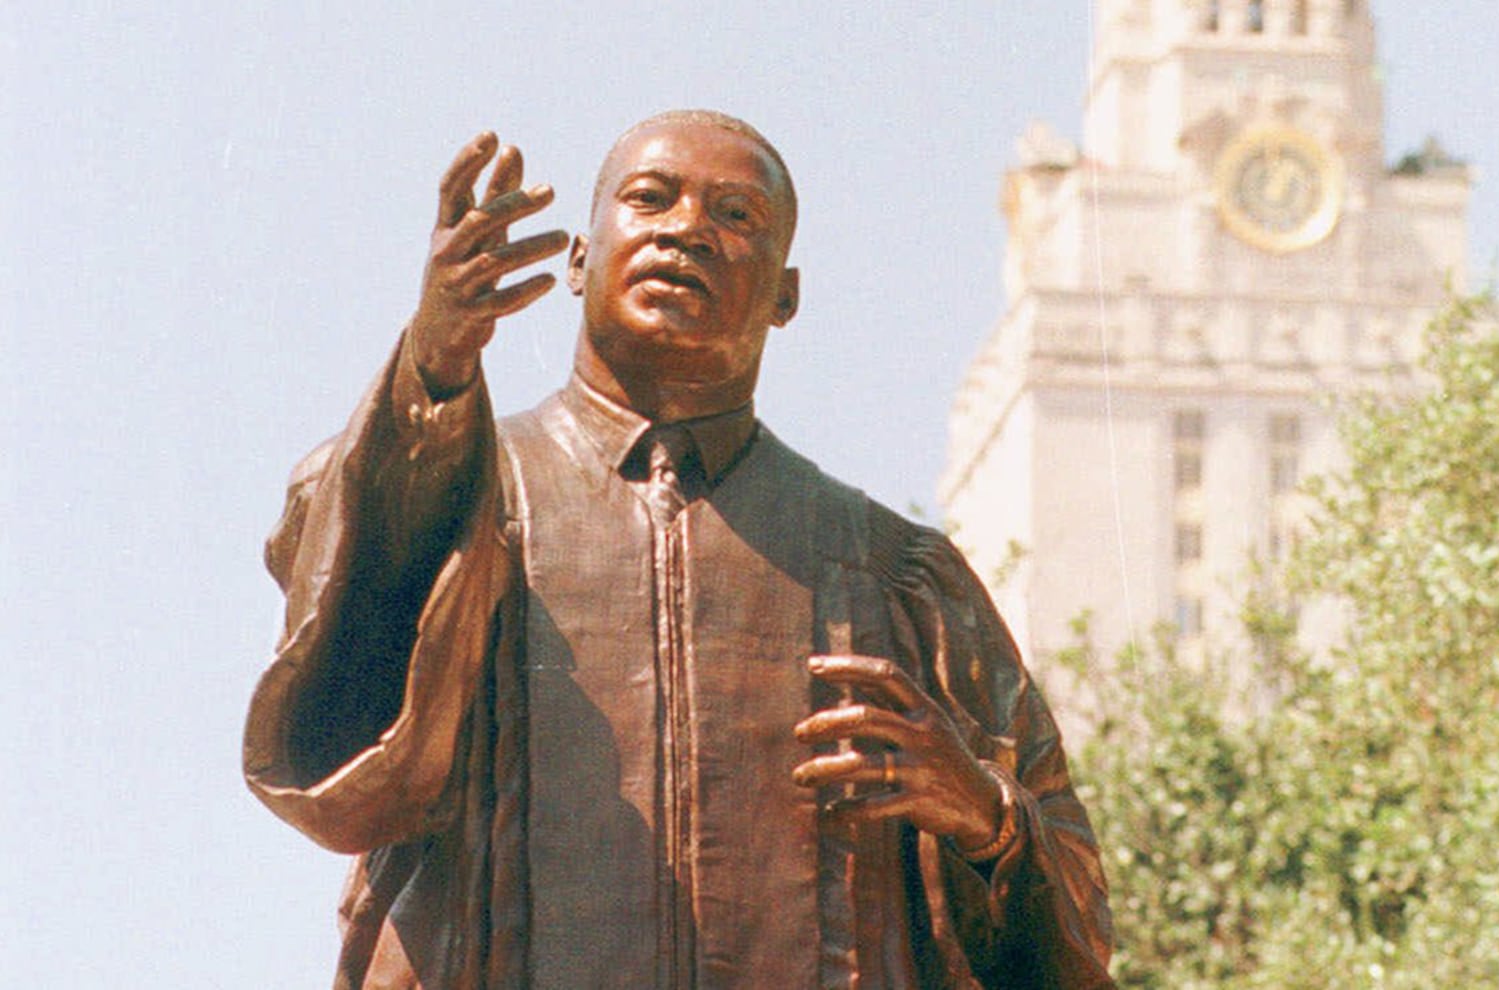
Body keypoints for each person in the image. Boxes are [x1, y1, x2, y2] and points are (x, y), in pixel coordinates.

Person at [243, 110, 1114, 989]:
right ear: (579, 261)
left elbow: (1078, 934)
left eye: (737, 217)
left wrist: (988, 819)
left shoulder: (893, 575)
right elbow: (334, 728)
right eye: (651, 198)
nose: (687, 230)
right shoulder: (448, 491)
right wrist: (431, 372)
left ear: (786, 295)